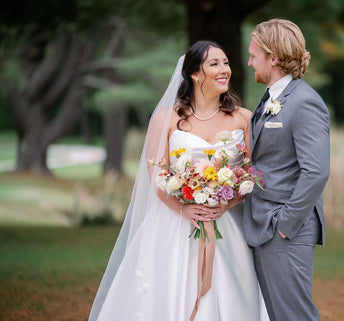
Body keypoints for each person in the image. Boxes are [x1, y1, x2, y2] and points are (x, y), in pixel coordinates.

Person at [88, 41, 269, 321]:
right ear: (195, 74)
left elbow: (251, 174)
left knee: (233, 296)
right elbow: (155, 173)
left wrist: (227, 202)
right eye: (215, 64)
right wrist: (183, 208)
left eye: (226, 63)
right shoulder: (165, 119)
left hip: (229, 225)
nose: (225, 70)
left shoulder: (244, 118)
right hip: (173, 224)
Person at [243, 19, 330, 321]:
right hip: (263, 224)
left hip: (285, 231)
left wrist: (284, 226)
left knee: (295, 316)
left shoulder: (305, 103)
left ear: (274, 58)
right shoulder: (270, 99)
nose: (249, 61)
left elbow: (316, 172)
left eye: (254, 55)